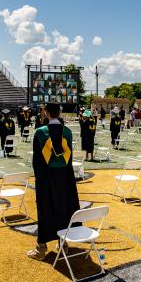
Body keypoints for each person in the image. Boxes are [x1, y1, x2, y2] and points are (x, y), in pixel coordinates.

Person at [27, 103, 80, 260]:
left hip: (46, 180)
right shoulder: (68, 132)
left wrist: (39, 180)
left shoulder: (40, 133)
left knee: (46, 210)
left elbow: (37, 161)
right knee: (63, 209)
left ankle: (41, 249)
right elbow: (68, 159)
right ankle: (63, 243)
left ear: (46, 112)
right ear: (60, 112)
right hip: (65, 179)